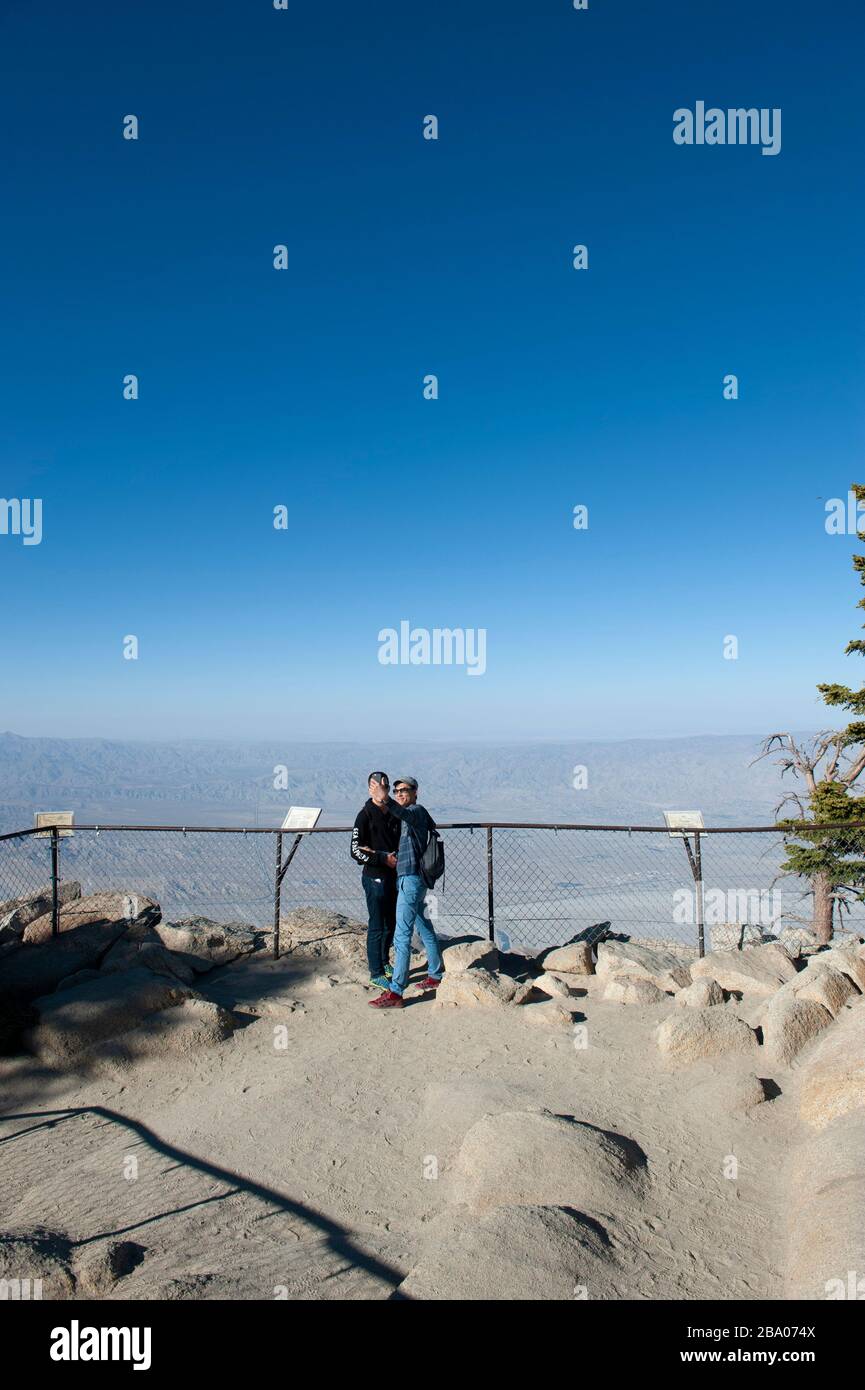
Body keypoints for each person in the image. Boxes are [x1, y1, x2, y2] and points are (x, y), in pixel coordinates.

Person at [369, 776, 444, 1009]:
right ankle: (435, 975)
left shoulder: (417, 811)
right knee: (424, 927)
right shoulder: (408, 814)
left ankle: (396, 992)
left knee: (402, 936)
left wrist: (386, 799)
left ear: (415, 792)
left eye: (405, 790)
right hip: (412, 880)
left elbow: (405, 815)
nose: (400, 793)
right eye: (396, 790)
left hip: (411, 881)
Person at [351, 771, 401, 988]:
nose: (383, 791)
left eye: (386, 787)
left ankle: (384, 960)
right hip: (375, 878)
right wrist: (381, 857)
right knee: (377, 924)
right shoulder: (364, 815)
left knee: (391, 922)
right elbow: (355, 851)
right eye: (378, 787)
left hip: (395, 875)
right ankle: (376, 971)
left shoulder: (394, 812)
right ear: (370, 788)